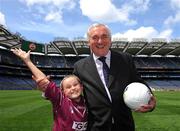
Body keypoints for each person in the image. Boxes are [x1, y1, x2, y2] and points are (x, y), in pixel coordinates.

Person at [73, 23, 156, 131]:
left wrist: (150, 101)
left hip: (124, 126)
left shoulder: (126, 59)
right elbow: (70, 90)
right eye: (95, 38)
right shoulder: (79, 67)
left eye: (104, 36)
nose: (100, 41)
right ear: (88, 42)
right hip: (96, 127)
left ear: (110, 40)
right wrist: (49, 90)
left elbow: (139, 82)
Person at [11, 48, 88, 131]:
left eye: (75, 85)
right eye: (68, 87)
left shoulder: (87, 102)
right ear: (63, 91)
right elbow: (44, 81)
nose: (72, 88)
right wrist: (27, 61)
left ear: (81, 86)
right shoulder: (61, 100)